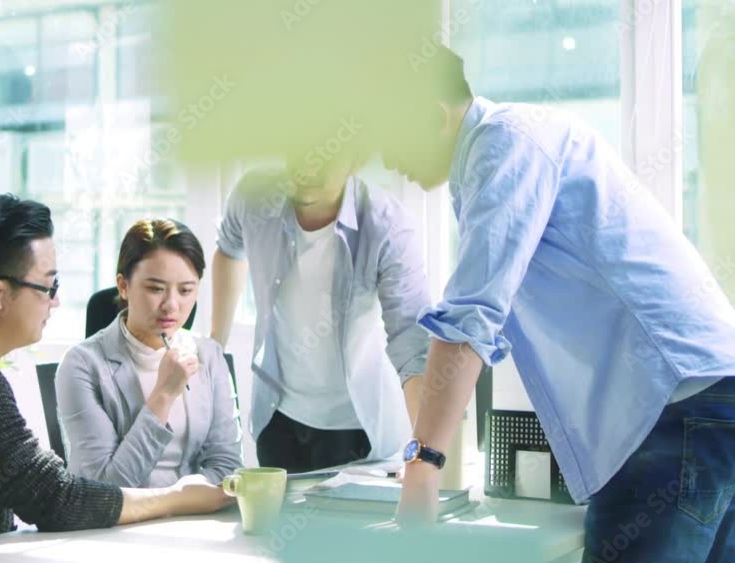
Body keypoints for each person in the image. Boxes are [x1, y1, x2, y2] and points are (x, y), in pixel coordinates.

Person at [383, 47, 735, 561]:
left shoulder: (502, 143)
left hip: (673, 405)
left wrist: (422, 468)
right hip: (708, 399)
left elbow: (469, 319)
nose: (386, 159)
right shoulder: (520, 141)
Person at [0, 194, 231, 563]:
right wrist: (179, 497)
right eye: (49, 287)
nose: (55, 302)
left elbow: (40, 485)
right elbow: (57, 500)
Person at [211, 144, 432, 473]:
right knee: (270, 523)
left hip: (356, 427)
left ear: (355, 160)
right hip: (275, 418)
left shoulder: (387, 226)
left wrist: (423, 457)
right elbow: (229, 249)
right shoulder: (255, 196)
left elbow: (412, 347)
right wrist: (216, 346)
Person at [57, 218, 242, 487]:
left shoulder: (209, 355)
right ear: (123, 286)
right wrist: (164, 395)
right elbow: (103, 487)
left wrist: (182, 508)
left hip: (196, 519)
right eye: (156, 289)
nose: (171, 305)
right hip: (118, 525)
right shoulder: (81, 365)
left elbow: (228, 468)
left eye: (186, 290)